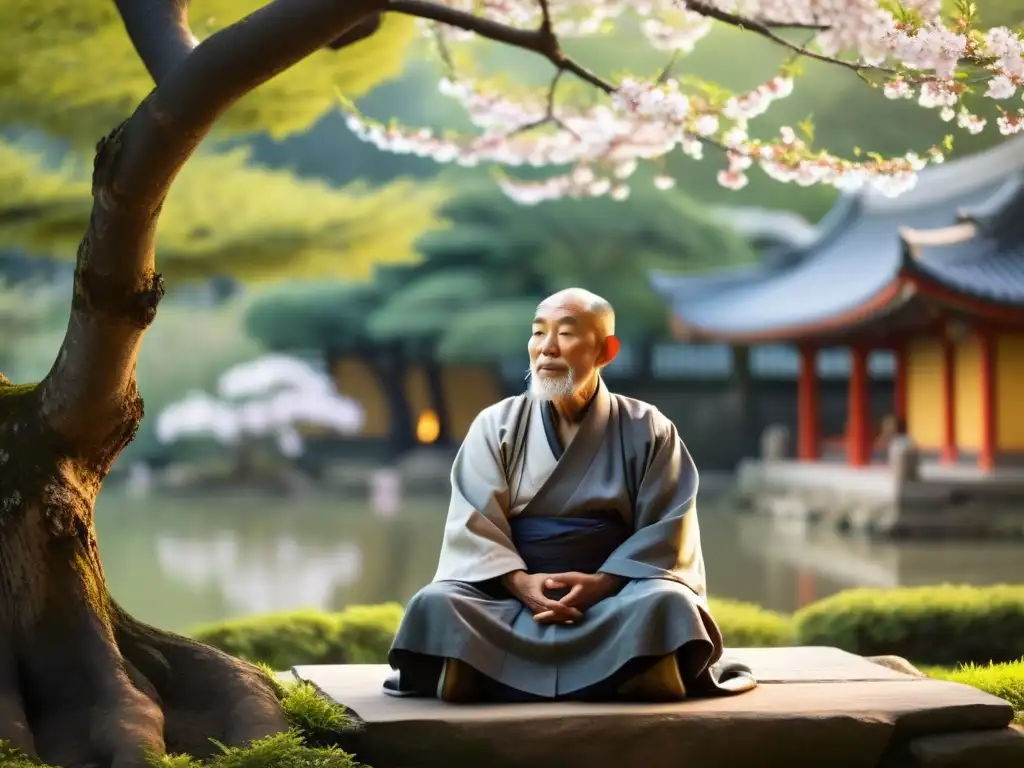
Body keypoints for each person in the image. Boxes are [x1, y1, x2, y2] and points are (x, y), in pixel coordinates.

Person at [383, 288, 756, 703]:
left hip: (613, 599)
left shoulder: (647, 427)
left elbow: (669, 526)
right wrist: (520, 581)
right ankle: (635, 674)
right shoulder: (496, 425)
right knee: (436, 603)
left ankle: (479, 674)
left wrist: (603, 583)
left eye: (566, 333)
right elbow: (474, 522)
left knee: (668, 603)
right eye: (538, 333)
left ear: (605, 351)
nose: (547, 348)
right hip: (511, 597)